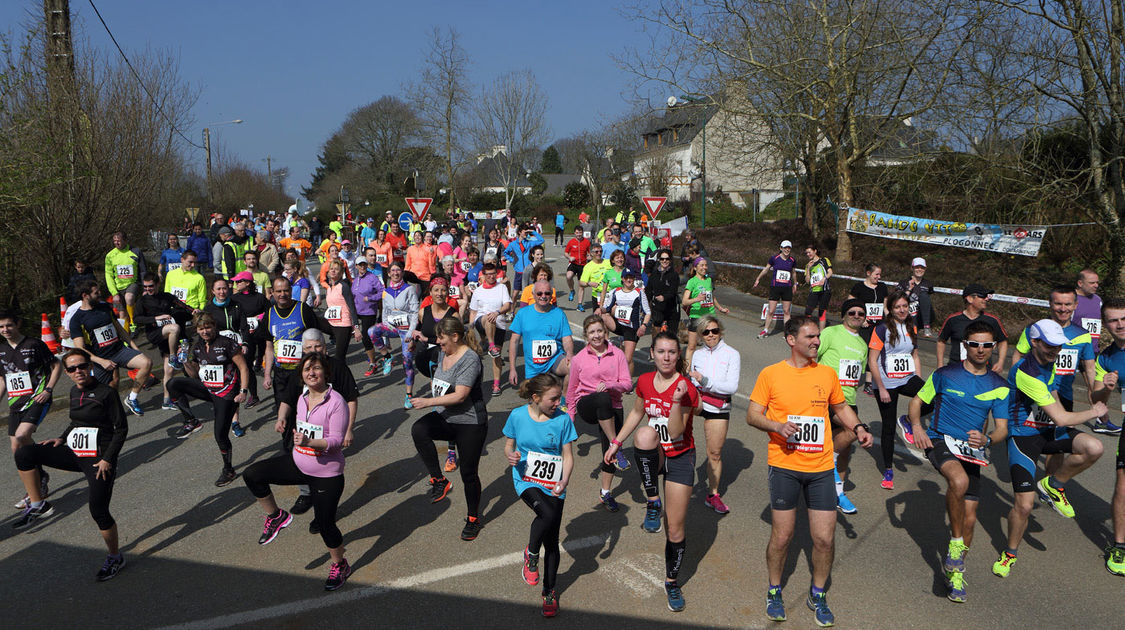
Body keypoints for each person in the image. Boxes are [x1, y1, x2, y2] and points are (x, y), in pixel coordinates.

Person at [746, 316, 874, 625]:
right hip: (785, 464)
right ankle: (774, 590)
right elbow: (752, 414)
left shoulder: (827, 374)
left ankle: (817, 594)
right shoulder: (771, 374)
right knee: (783, 537)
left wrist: (857, 427)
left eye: (818, 337)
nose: (816, 341)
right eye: (810, 337)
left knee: (824, 540)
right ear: (791, 340)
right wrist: (776, 425)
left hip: (819, 467)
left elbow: (840, 407)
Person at [992, 319, 1107, 579]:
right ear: (1034, 342)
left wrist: (1060, 410)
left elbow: (1053, 395)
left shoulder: (1050, 362)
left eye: (1058, 346)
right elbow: (1062, 419)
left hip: (1048, 431)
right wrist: (1095, 411)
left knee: (1094, 447)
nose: (1055, 350)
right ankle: (1010, 553)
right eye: (1049, 345)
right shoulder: (1026, 372)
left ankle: (1054, 484)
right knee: (1024, 506)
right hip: (1024, 437)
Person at [908, 320, 1010, 603]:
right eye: (975, 344)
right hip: (940, 439)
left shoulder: (1000, 386)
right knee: (958, 480)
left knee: (970, 518)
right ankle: (954, 546)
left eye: (987, 345)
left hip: (972, 450)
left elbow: (1001, 429)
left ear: (993, 348)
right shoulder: (945, 374)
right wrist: (917, 426)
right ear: (965, 345)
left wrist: (988, 441)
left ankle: (956, 571)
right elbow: (917, 402)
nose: (980, 349)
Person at [602, 331, 699, 612]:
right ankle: (653, 500)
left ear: (678, 355)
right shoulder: (644, 381)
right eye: (661, 352)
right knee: (644, 434)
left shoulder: (686, 387)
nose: (666, 357)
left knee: (676, 528)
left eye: (671, 352)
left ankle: (671, 581)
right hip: (654, 452)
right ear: (652, 354)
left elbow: (676, 430)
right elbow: (636, 413)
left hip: (680, 456)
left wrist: (678, 400)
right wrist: (616, 442)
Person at [12, 349, 128, 581]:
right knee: (25, 453)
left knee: (98, 511)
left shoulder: (106, 393)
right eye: (72, 369)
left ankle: (115, 557)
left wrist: (107, 459)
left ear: (89, 367)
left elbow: (121, 429)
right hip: (76, 452)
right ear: (67, 373)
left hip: (99, 460)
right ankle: (38, 504)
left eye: (82, 366)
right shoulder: (74, 391)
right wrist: (62, 438)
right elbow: (76, 421)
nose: (78, 372)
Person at [243, 352, 353, 591]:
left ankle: (340, 564)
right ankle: (276, 517)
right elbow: (297, 421)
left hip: (327, 473)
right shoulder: (302, 398)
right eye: (306, 370)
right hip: (298, 464)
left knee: (325, 525)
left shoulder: (336, 402)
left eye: (316, 369)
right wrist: (284, 421)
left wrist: (309, 442)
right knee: (253, 474)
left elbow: (336, 441)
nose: (311, 373)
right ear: (301, 376)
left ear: (326, 373)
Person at [409, 318, 489, 541]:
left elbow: (461, 395)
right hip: (448, 418)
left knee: (468, 474)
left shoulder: (470, 359)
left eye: (442, 341)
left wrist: (427, 402)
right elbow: (431, 355)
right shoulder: (444, 352)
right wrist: (419, 344)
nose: (440, 346)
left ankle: (473, 519)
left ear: (455, 337)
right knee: (419, 430)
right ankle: (439, 480)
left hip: (471, 423)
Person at [504, 373, 576, 617]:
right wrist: (510, 455)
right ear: (535, 397)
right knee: (545, 512)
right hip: (525, 479)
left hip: (554, 484)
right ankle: (531, 553)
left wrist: (564, 480)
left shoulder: (563, 420)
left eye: (560, 398)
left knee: (553, 541)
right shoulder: (517, 416)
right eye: (553, 399)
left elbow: (567, 455)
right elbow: (508, 445)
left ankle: (549, 591)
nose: (558, 403)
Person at [274, 330, 359, 522]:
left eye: (318, 346)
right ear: (303, 350)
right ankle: (306, 495)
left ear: (325, 346)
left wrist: (349, 429)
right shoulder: (302, 370)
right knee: (300, 460)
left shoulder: (338, 367)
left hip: (330, 431)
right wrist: (281, 418)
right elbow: (287, 398)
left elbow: (351, 399)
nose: (315, 350)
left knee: (325, 469)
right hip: (303, 429)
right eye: (309, 348)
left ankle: (323, 512)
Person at [1010, 286, 1114, 433]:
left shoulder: (1083, 335)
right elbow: (1018, 355)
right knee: (1032, 438)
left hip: (1063, 396)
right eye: (1058, 304)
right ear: (1050, 304)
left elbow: (1090, 369)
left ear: (1075, 305)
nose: (1063, 309)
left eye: (1068, 304)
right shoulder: (1035, 329)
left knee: (1059, 444)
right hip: (1034, 392)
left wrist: (1096, 396)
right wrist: (1016, 383)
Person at [167, 312, 251, 486]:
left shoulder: (226, 344)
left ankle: (228, 470)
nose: (205, 331)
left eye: (208, 327)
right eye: (201, 328)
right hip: (209, 389)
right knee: (173, 384)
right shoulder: (198, 347)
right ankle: (191, 421)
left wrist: (243, 391)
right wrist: (184, 361)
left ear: (214, 327)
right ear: (196, 330)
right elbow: (195, 374)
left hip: (226, 394)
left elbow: (243, 368)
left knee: (220, 434)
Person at [567, 315, 633, 512]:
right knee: (602, 398)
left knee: (609, 452)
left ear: (606, 333)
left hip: (612, 407)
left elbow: (628, 384)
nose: (596, 336)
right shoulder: (579, 359)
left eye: (599, 331)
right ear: (586, 335)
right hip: (587, 404)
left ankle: (606, 492)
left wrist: (611, 384)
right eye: (592, 332)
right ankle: (617, 444)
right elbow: (571, 390)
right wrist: (571, 419)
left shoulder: (618, 354)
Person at [868, 290, 931, 490]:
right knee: (888, 428)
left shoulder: (911, 327)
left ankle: (907, 420)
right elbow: (872, 360)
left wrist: (920, 382)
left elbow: (915, 356)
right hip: (886, 384)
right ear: (891, 309)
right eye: (898, 307)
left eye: (905, 306)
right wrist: (882, 388)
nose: (902, 310)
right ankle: (888, 470)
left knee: (933, 398)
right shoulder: (882, 329)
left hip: (906, 378)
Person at [0, 312, 61, 510]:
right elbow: (3, 379)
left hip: (38, 399)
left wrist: (49, 390)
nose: (5, 330)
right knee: (17, 450)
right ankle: (34, 488)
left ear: (17, 324)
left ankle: (43, 474)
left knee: (21, 436)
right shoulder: (0, 350)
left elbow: (56, 365)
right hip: (16, 404)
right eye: (1, 327)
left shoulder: (33, 344)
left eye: (9, 325)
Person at [815, 299, 870, 514]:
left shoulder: (862, 345)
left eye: (861, 313)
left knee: (845, 449)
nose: (857, 316)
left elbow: (859, 375)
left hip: (849, 400)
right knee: (852, 430)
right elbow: (814, 356)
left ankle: (838, 492)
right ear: (844, 314)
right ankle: (825, 467)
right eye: (852, 312)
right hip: (825, 397)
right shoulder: (831, 332)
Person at [68, 280, 151, 416]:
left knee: (146, 363)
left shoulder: (105, 307)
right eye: (96, 293)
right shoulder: (77, 319)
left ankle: (132, 398)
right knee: (108, 390)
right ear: (85, 295)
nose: (100, 294)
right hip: (100, 359)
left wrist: (135, 347)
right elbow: (80, 349)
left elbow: (120, 330)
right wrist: (101, 361)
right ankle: (112, 413)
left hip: (119, 350)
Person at [689, 315, 740, 514]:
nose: (711, 335)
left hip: (718, 407)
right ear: (701, 335)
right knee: (678, 441)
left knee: (715, 453)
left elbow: (731, 387)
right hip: (698, 403)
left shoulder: (732, 354)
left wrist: (706, 381)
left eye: (714, 331)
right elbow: (693, 381)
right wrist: (698, 385)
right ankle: (678, 482)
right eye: (706, 332)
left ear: (720, 331)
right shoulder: (698, 355)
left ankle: (713, 495)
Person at [1091, 297, 1125, 575]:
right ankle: (1119, 546)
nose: (1120, 324)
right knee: (1122, 488)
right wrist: (1107, 389)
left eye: (1124, 318)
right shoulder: (1105, 358)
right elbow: (1096, 397)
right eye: (1113, 320)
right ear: (1106, 325)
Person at [261, 276, 326, 415]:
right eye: (278, 291)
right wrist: (267, 374)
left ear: (291, 291)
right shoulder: (269, 314)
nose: (282, 294)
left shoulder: (303, 309)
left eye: (285, 290)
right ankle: (287, 436)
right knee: (283, 412)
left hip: (302, 370)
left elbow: (316, 339)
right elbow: (269, 347)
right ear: (272, 292)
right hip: (280, 372)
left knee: (304, 411)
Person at [133, 273, 195, 410]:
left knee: (169, 370)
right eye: (145, 287)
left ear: (157, 285)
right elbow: (136, 319)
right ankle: (174, 357)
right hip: (156, 333)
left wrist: (194, 310)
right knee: (174, 328)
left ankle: (167, 400)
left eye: (151, 286)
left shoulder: (166, 296)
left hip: (170, 338)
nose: (148, 289)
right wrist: (156, 318)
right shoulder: (142, 301)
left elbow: (182, 305)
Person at [509, 279, 574, 398]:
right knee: (535, 401)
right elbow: (514, 341)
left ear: (551, 295)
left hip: (554, 360)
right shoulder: (523, 313)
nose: (543, 296)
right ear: (533, 295)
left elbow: (567, 339)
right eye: (539, 293)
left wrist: (569, 353)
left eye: (547, 293)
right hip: (533, 366)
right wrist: (512, 369)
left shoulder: (559, 314)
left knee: (574, 366)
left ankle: (565, 399)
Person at [368, 261, 420, 408]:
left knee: (407, 360)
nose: (396, 273)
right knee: (372, 331)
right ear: (389, 273)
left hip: (406, 330)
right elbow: (384, 311)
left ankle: (409, 395)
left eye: (398, 270)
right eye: (393, 271)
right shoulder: (386, 291)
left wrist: (410, 333)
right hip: (393, 327)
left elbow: (415, 312)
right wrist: (387, 325)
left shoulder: (409, 289)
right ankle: (387, 356)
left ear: (402, 273)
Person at [936, 283, 1008, 374]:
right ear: (970, 298)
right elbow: (941, 341)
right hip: (956, 369)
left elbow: (1002, 341)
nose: (986, 299)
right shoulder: (953, 319)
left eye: (987, 296)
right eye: (982, 296)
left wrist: (1000, 362)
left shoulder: (992, 320)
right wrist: (940, 364)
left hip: (984, 371)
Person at [468, 262, 513, 395]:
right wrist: (470, 328)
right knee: (488, 318)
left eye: (493, 274)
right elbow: (473, 312)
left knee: (497, 356)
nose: (491, 277)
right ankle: (490, 343)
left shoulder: (502, 288)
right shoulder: (478, 291)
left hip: (499, 324)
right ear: (483, 275)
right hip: (482, 321)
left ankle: (496, 384)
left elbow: (507, 305)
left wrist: (497, 312)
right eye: (488, 274)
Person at [600, 269, 651, 376]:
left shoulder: (639, 292)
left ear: (634, 279)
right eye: (626, 277)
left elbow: (648, 312)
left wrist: (643, 326)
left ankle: (628, 384)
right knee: (602, 316)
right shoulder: (616, 291)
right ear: (622, 279)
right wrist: (599, 309)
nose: (629, 280)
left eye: (631, 277)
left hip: (632, 328)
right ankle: (604, 343)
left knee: (627, 359)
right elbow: (606, 308)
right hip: (619, 325)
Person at [230, 272, 270, 409]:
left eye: (239, 281)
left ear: (247, 283)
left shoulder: (259, 297)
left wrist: (259, 318)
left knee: (262, 351)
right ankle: (254, 395)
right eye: (235, 282)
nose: (236, 284)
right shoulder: (233, 299)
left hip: (259, 333)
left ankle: (260, 363)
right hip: (244, 336)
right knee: (246, 363)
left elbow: (269, 311)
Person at [682, 257, 729, 370]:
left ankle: (712, 368)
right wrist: (696, 299)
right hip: (696, 316)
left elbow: (712, 298)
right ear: (695, 267)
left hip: (710, 316)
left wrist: (721, 309)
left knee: (713, 344)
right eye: (702, 265)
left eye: (705, 265)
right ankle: (687, 370)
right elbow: (684, 301)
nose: (704, 268)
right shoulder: (692, 281)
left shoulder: (708, 280)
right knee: (692, 346)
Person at [754, 240, 798, 339]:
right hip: (775, 287)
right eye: (785, 247)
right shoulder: (774, 258)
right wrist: (758, 278)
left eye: (789, 248)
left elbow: (794, 272)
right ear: (781, 248)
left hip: (787, 288)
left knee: (786, 311)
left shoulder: (792, 260)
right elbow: (766, 269)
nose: (787, 250)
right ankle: (765, 330)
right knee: (771, 310)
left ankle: (786, 333)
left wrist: (795, 283)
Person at [322, 259, 363, 365]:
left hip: (343, 325)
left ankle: (343, 380)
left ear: (341, 273)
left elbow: (352, 307)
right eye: (331, 269)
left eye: (336, 269)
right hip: (332, 323)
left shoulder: (343, 286)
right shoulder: (329, 287)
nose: (333, 271)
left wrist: (356, 327)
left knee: (339, 358)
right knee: (311, 320)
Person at [353, 254, 386, 377]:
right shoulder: (355, 280)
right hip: (357, 311)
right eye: (360, 265)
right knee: (363, 336)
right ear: (356, 266)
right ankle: (381, 355)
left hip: (369, 311)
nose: (363, 267)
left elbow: (382, 291)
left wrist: (371, 298)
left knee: (366, 337)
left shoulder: (372, 277)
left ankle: (373, 363)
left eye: (364, 264)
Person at [105, 231, 143, 330]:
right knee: (122, 314)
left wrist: (145, 287)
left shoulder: (135, 251)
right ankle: (126, 338)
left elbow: (143, 270)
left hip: (132, 283)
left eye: (119, 241)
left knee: (129, 298)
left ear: (125, 241)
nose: (116, 243)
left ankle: (133, 323)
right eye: (114, 241)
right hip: (118, 287)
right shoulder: (110, 256)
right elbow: (108, 275)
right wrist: (114, 293)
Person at [847, 263, 889, 346]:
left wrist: (890, 319)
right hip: (864, 324)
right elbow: (849, 304)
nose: (879, 277)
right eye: (876, 274)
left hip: (879, 324)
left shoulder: (882, 287)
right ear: (868, 273)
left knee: (878, 348)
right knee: (863, 347)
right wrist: (860, 318)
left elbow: (885, 307)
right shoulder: (859, 287)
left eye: (880, 274)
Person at [646, 249, 680, 337]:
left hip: (671, 307)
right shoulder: (654, 274)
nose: (664, 261)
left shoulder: (674, 275)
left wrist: (664, 297)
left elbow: (673, 291)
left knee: (671, 336)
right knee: (656, 330)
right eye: (662, 259)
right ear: (659, 260)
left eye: (667, 259)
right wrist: (645, 304)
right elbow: (649, 290)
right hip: (657, 307)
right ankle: (654, 348)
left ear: (670, 260)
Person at [504, 223, 545, 296]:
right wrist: (512, 260)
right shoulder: (513, 244)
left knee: (529, 291)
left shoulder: (529, 243)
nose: (526, 232)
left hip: (529, 270)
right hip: (519, 270)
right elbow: (505, 253)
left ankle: (528, 306)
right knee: (515, 293)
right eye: (524, 231)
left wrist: (532, 231)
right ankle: (512, 307)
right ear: (519, 232)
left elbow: (541, 240)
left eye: (527, 231)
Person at [898, 257, 935, 336]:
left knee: (924, 295)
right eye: (917, 267)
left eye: (922, 268)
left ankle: (927, 327)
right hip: (908, 315)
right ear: (912, 268)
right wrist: (909, 289)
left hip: (922, 316)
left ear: (925, 269)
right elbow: (898, 300)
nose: (919, 270)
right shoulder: (903, 282)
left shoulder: (928, 284)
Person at [804, 245, 833, 329]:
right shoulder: (808, 265)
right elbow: (807, 281)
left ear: (815, 251)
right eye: (807, 253)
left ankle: (821, 333)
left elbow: (830, 272)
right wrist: (809, 269)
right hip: (814, 290)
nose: (808, 254)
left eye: (810, 252)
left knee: (822, 312)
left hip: (825, 290)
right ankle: (807, 330)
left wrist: (824, 278)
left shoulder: (824, 260)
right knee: (808, 311)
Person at [578, 243, 611, 313]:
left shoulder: (608, 262)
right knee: (598, 318)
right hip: (597, 295)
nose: (599, 253)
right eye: (596, 252)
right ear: (591, 253)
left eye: (601, 251)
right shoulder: (588, 266)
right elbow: (581, 282)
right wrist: (589, 283)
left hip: (610, 294)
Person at [563, 226, 590, 303]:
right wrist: (569, 257)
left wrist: (589, 257)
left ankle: (580, 304)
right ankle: (572, 290)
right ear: (574, 233)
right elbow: (565, 253)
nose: (578, 234)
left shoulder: (587, 242)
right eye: (577, 233)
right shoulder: (571, 242)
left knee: (581, 285)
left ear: (582, 232)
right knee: (568, 276)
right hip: (573, 263)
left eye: (580, 232)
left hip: (582, 265)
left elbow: (590, 253)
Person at [1074, 268, 1102, 339]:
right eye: (1092, 283)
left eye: (1097, 282)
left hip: (1093, 348)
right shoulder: (1069, 299)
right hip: (1073, 347)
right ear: (1080, 283)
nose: (1096, 285)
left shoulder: (1098, 300)